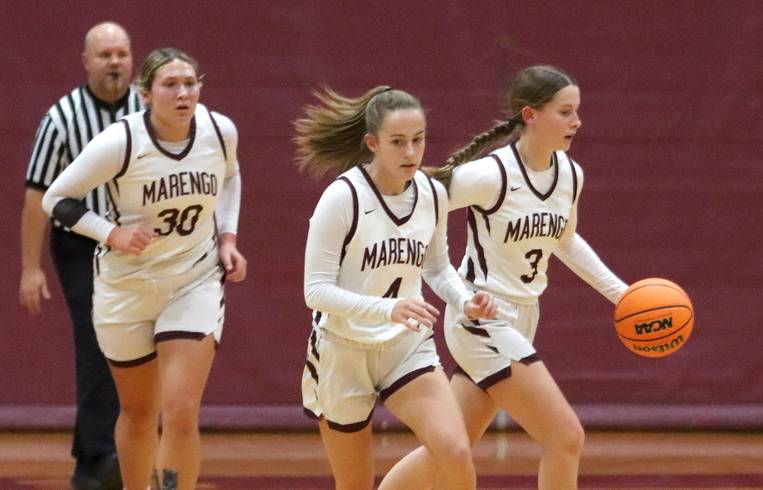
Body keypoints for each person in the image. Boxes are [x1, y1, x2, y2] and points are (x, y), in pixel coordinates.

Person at [378, 65, 630, 489]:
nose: (577, 121)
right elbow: (419, 201)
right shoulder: (491, 175)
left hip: (525, 316)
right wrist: (432, 279)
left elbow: (565, 242)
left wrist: (621, 294)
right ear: (530, 115)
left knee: (450, 448)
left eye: (577, 111)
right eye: (565, 112)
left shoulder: (570, 175)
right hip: (482, 317)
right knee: (566, 437)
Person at [42, 47, 246, 490]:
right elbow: (55, 198)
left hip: (193, 279)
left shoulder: (218, 130)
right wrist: (111, 234)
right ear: (146, 94)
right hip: (127, 286)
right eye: (170, 85)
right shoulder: (122, 141)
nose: (182, 93)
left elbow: (230, 176)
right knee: (138, 413)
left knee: (180, 413)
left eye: (190, 84)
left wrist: (227, 238)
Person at [294, 86, 498, 490]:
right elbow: (314, 292)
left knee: (456, 453)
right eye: (398, 142)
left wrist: (464, 300)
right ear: (372, 143)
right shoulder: (342, 197)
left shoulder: (432, 194)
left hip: (406, 346)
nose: (411, 152)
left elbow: (437, 267)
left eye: (418, 140)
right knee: (354, 484)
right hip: (343, 349)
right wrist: (387, 308)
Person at [19, 21, 142, 490]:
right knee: (97, 343)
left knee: (135, 344)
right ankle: (98, 459)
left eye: (122, 53)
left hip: (134, 242)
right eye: (105, 54)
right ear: (86, 61)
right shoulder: (61, 118)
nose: (115, 62)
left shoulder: (147, 110)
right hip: (79, 241)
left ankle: (107, 452)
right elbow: (37, 196)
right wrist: (31, 269)